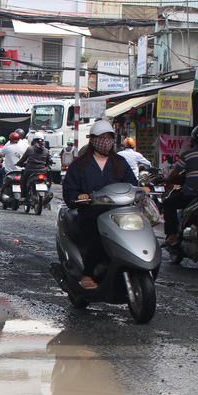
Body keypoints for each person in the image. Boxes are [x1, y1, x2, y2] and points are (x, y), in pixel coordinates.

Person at [62, 120, 137, 288]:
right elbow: (69, 192)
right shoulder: (80, 165)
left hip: (118, 214)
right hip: (90, 214)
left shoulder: (120, 163)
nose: (106, 141)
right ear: (93, 140)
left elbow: (132, 184)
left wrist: (141, 190)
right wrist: (79, 197)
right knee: (97, 237)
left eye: (109, 137)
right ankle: (88, 273)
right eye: (102, 137)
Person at [161, 125, 198, 247]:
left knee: (168, 204)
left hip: (192, 195)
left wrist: (166, 179)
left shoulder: (187, 155)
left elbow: (174, 173)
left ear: (193, 139)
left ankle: (172, 235)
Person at [0, 131, 29, 204]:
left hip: (8, 171)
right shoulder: (25, 147)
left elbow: (0, 155)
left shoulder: (7, 147)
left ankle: (0, 188)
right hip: (21, 171)